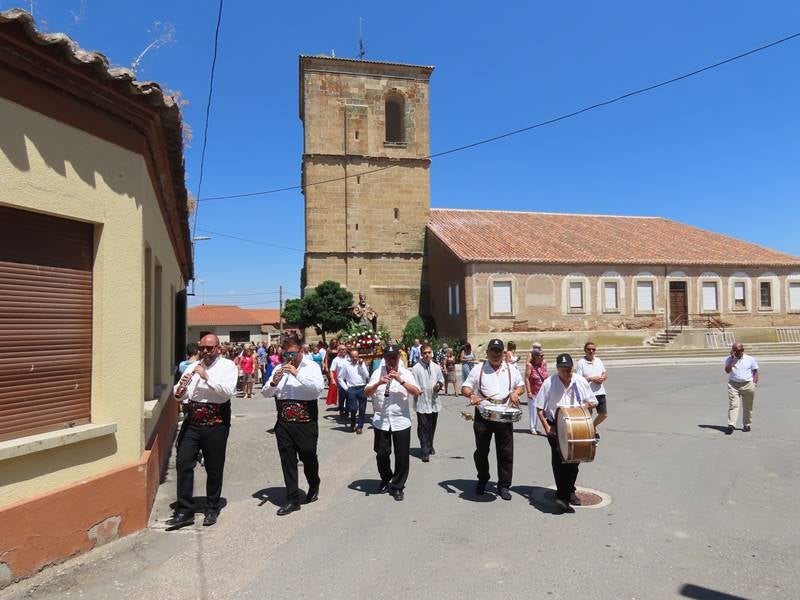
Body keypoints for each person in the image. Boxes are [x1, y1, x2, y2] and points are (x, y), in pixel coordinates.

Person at [167, 334, 238, 529]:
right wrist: (180, 390)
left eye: (210, 348)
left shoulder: (228, 367)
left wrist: (206, 376)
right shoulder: (192, 366)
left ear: (218, 348)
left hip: (216, 421)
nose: (205, 352)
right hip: (194, 420)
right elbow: (179, 394)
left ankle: (212, 507)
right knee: (183, 462)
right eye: (203, 348)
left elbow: (227, 391)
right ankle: (185, 510)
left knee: (214, 466)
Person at [261, 334, 325, 516]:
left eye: (292, 354)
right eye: (286, 354)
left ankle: (314, 483)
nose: (288, 358)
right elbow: (266, 393)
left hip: (306, 420)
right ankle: (292, 499)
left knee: (308, 456)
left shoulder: (311, 366)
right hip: (283, 421)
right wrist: (274, 382)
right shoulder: (278, 368)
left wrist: (297, 374)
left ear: (301, 350)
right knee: (287, 460)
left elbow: (317, 389)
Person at [534, 353, 597, 514]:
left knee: (574, 461)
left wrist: (589, 404)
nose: (566, 373)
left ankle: (569, 491)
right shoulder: (549, 383)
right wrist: (547, 428)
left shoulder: (580, 381)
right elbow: (539, 408)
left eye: (568, 369)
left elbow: (592, 401)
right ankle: (562, 498)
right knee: (560, 462)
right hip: (556, 426)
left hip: (577, 427)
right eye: (563, 369)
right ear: (557, 369)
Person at [462, 339, 524, 500]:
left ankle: (504, 485)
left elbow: (521, 386)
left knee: (506, 453)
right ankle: (483, 479)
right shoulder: (478, 369)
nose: (495, 354)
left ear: (503, 353)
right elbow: (465, 387)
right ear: (488, 352)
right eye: (493, 351)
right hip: (483, 414)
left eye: (498, 351)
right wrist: (472, 395)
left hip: (504, 414)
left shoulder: (511, 369)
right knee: (481, 452)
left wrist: (516, 392)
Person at [364, 344, 421, 501]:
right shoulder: (377, 372)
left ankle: (397, 486)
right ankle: (386, 478)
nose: (391, 360)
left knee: (402, 456)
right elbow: (366, 392)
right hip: (381, 420)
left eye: (394, 357)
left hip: (401, 420)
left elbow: (416, 392)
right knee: (382, 454)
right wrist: (378, 384)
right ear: (384, 358)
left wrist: (400, 380)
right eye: (388, 357)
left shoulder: (406, 373)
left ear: (398, 357)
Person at [411, 344, 444, 462]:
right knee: (423, 427)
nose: (427, 355)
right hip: (422, 401)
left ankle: (430, 444)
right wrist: (417, 390)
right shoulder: (416, 368)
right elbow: (413, 383)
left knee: (432, 426)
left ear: (432, 353)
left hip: (434, 401)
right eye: (424, 353)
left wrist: (439, 385)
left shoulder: (436, 367)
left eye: (429, 352)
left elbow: (441, 379)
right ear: (421, 354)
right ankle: (424, 450)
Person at [724, 342, 759, 434]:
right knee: (733, 405)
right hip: (733, 385)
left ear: (742, 350)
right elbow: (727, 371)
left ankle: (747, 424)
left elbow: (755, 371)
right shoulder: (729, 359)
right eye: (733, 350)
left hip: (747, 384)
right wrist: (733, 361)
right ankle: (731, 425)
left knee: (747, 406)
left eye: (737, 351)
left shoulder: (750, 359)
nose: (735, 352)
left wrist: (754, 383)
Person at [575, 341, 608, 438]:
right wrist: (592, 378)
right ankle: (588, 435)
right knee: (587, 415)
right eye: (589, 349)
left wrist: (603, 378)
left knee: (604, 414)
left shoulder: (598, 360)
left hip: (600, 392)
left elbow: (605, 373)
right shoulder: (581, 363)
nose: (591, 351)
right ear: (585, 350)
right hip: (588, 394)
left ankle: (593, 427)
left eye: (593, 349)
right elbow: (578, 379)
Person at [339, 348, 370, 433]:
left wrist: (361, 366)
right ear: (350, 357)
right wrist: (346, 388)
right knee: (353, 408)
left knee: (362, 408)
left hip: (362, 387)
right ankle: (353, 423)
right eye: (353, 357)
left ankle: (360, 426)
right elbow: (340, 378)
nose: (355, 358)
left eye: (356, 356)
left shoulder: (361, 364)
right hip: (351, 388)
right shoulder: (346, 365)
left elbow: (367, 375)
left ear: (358, 356)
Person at [526, 343, 548, 434]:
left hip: (543, 391)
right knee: (534, 410)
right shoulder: (530, 365)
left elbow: (546, 375)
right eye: (540, 356)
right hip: (534, 390)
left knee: (545, 409)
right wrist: (529, 392)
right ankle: (533, 427)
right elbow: (526, 378)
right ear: (535, 357)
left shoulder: (544, 363)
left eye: (543, 355)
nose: (542, 357)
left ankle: (549, 425)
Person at [329, 345, 350, 416]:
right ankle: (341, 410)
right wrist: (332, 380)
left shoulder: (349, 358)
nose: (344, 351)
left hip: (349, 380)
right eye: (342, 349)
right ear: (339, 351)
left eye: (345, 349)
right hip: (341, 380)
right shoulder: (336, 360)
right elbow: (331, 371)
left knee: (349, 395)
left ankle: (347, 412)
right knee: (342, 396)